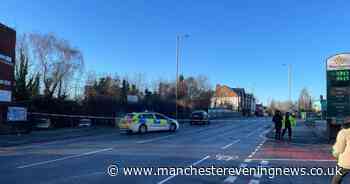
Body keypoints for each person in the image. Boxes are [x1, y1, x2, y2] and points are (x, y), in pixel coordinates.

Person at [331, 117, 350, 184]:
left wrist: (334, 153)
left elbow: (339, 149)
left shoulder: (344, 132)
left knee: (336, 179)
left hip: (346, 162)